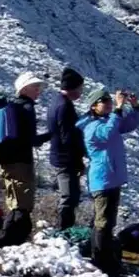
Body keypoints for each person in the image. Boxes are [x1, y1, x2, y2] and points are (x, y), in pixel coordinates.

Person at [79, 85, 139, 277]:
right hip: (103, 179)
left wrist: (134, 107)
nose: (107, 104)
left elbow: (128, 125)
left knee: (108, 222)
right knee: (103, 222)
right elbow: (107, 133)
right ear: (93, 106)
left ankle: (105, 257)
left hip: (112, 178)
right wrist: (117, 107)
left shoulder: (109, 122)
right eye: (103, 102)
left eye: (108, 101)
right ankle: (100, 261)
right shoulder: (91, 127)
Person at [0, 71, 51, 245]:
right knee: (22, 205)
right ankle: (8, 242)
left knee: (14, 203)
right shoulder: (27, 108)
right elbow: (31, 140)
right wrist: (51, 135)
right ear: (25, 88)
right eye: (35, 87)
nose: (38, 91)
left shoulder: (11, 107)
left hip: (5, 162)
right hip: (21, 164)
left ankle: (6, 241)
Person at [48, 66, 86, 230]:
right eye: (80, 88)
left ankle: (65, 230)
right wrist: (79, 159)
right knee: (69, 196)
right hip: (66, 159)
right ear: (73, 88)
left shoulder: (57, 102)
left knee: (71, 195)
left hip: (62, 157)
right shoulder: (65, 107)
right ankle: (64, 232)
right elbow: (68, 137)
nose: (81, 92)